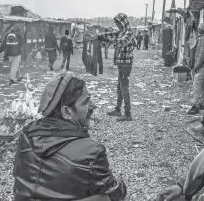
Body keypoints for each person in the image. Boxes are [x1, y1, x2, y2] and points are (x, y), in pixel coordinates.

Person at [13, 71, 127, 201]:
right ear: (66, 112)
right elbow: (114, 191)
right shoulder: (92, 152)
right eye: (85, 102)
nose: (93, 106)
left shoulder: (26, 137)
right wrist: (121, 186)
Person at [106, 13, 135, 122]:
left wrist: (112, 41)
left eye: (119, 23)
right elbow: (109, 34)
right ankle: (117, 109)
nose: (117, 25)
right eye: (116, 23)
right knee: (119, 86)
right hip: (121, 63)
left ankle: (127, 114)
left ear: (123, 22)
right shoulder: (120, 32)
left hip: (126, 64)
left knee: (124, 87)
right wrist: (99, 37)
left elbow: (123, 42)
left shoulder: (129, 32)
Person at [187, 22, 204, 115]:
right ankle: (201, 103)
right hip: (203, 65)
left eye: (199, 28)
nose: (198, 29)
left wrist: (196, 66)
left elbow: (202, 54)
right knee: (201, 86)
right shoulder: (203, 37)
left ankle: (195, 106)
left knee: (196, 85)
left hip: (202, 66)